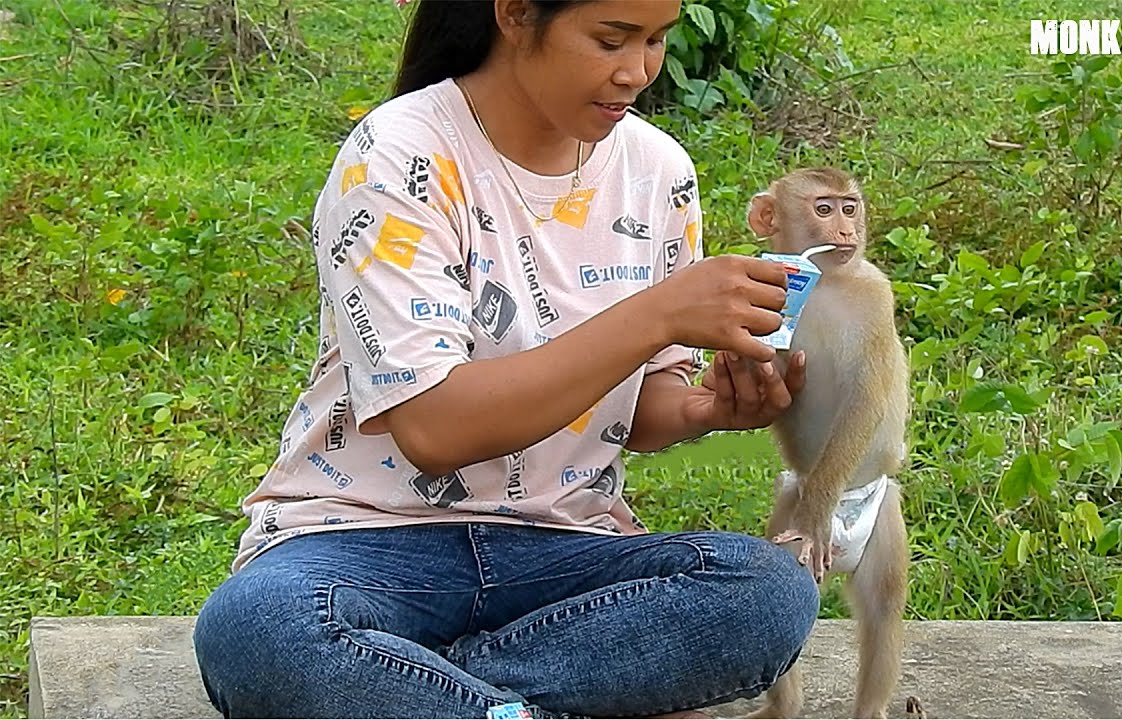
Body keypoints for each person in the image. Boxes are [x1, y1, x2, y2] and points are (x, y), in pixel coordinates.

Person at [192, 1, 819, 717]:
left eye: (655, 41)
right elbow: (435, 431)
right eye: (611, 39)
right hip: (363, 541)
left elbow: (643, 404)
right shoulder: (401, 155)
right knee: (265, 632)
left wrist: (705, 408)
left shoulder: (657, 170)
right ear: (516, 13)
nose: (637, 72)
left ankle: (439, 691)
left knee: (766, 591)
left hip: (565, 546)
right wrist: (660, 312)